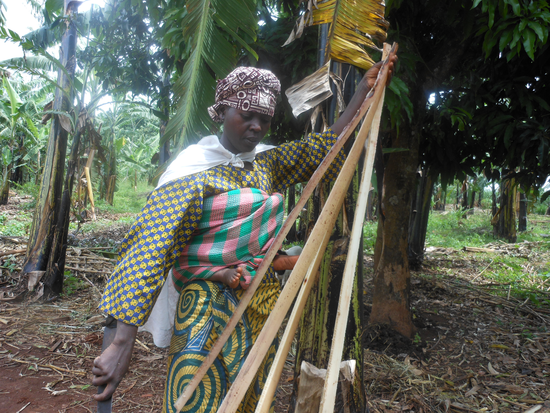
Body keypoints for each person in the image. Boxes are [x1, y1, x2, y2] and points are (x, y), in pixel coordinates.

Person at [92, 58, 396, 413]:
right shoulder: (190, 171)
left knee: (248, 395)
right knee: (195, 396)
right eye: (246, 115)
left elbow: (326, 148)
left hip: (259, 300)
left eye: (264, 120)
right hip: (206, 302)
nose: (256, 127)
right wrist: (121, 342)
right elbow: (150, 249)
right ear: (221, 111)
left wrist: (364, 90)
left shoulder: (266, 162)